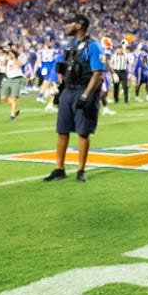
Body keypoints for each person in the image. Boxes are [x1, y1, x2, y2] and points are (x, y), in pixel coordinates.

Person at [44, 14, 105, 183]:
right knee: (62, 130)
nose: (66, 26)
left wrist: (86, 96)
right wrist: (60, 91)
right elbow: (65, 70)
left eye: (69, 23)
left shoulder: (94, 46)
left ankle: (81, 170)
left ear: (79, 25)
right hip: (68, 91)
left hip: (83, 90)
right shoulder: (71, 45)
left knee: (83, 132)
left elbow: (98, 74)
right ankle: (59, 168)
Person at [0, 44, 25, 120]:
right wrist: (6, 57)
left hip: (17, 79)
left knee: (14, 98)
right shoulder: (7, 57)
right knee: (3, 97)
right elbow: (3, 64)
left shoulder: (21, 56)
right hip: (8, 78)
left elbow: (19, 65)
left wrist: (13, 57)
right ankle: (16, 110)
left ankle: (12, 115)